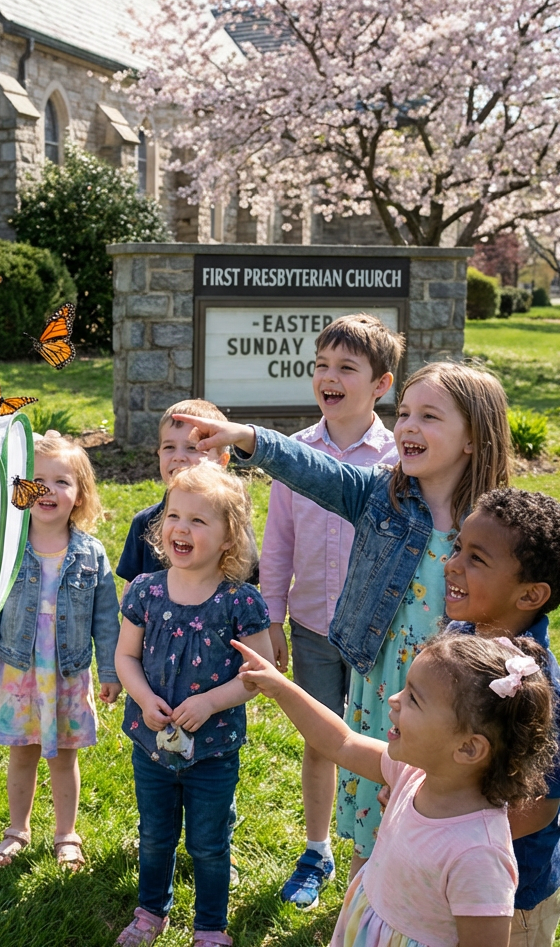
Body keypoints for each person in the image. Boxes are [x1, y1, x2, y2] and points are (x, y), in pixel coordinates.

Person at [175, 360, 511, 878]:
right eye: (403, 413)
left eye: (429, 416)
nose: (408, 427)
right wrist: (249, 438)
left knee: (440, 810)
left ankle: (422, 903)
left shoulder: (495, 526)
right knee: (372, 810)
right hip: (380, 685)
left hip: (452, 696)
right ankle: (362, 903)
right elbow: (313, 469)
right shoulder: (381, 495)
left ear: (474, 438)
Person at [235, 631, 557, 947]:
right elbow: (341, 742)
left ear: (468, 749)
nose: (394, 699)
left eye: (413, 698)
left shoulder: (480, 856)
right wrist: (281, 688)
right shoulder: (413, 775)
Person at [261, 314, 402, 907]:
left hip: (382, 632)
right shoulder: (295, 454)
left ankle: (375, 859)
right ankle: (316, 849)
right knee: (321, 740)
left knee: (383, 743)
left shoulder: (399, 456)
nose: (329, 377)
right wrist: (271, 619)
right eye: (321, 365)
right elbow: (278, 544)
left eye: (347, 367)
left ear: (382, 384)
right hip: (313, 626)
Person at [114, 462, 275, 947]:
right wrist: (143, 699)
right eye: (174, 516)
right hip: (152, 746)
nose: (181, 528)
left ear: (229, 537)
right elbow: (124, 656)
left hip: (212, 750)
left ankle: (209, 926)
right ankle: (150, 911)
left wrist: (209, 703)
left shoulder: (240, 603)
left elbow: (260, 675)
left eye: (199, 521)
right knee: (155, 835)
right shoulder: (145, 591)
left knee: (208, 843)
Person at [0, 433, 121, 871]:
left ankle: (66, 833)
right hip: (18, 673)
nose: (47, 490)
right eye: (37, 480)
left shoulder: (91, 555)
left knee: (64, 755)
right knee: (23, 753)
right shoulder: (8, 549)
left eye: (61, 481)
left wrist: (110, 670)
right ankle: (17, 828)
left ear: (80, 495)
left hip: (69, 674)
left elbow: (106, 620)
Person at [438, 488, 560, 946]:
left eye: (476, 559)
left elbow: (541, 806)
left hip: (510, 896)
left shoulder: (539, 691)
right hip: (448, 873)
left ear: (530, 594)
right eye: (457, 548)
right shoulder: (459, 633)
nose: (452, 564)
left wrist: (452, 831)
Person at [116, 399, 259, 593]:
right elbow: (131, 588)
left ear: (222, 460)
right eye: (169, 447)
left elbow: (248, 584)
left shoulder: (232, 522)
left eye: (192, 448)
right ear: (158, 454)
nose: (178, 456)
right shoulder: (144, 522)